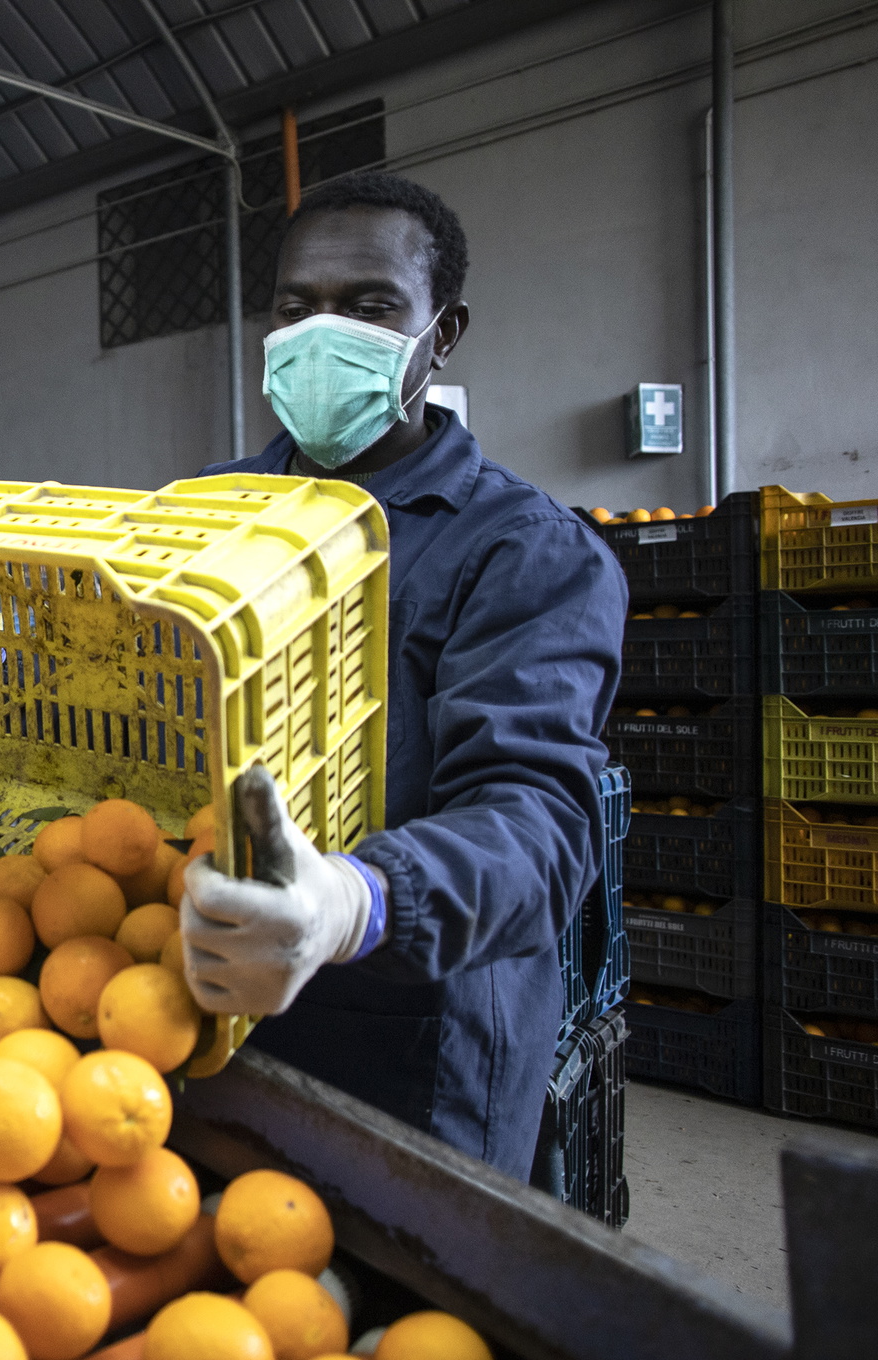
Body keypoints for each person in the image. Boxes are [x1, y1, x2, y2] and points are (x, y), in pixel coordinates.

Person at [181, 171, 626, 1177]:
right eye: (297, 307)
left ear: (444, 331)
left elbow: (542, 825)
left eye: (369, 305)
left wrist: (351, 900)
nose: (321, 331)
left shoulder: (521, 552)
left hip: (413, 1059)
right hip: (209, 1009)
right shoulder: (202, 519)